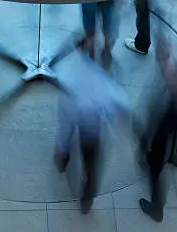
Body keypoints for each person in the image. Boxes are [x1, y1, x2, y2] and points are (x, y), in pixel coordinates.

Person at [54, 51, 130, 214]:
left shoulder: (77, 81)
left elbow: (66, 121)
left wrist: (62, 147)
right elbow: (122, 105)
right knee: (92, 166)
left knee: (77, 149)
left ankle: (64, 162)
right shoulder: (108, 88)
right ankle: (87, 198)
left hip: (83, 126)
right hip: (95, 132)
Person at [138, 37, 177, 222]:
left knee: (156, 167)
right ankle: (148, 159)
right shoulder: (171, 69)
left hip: (164, 128)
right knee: (153, 156)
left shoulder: (171, 78)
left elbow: (166, 114)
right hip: (166, 124)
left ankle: (156, 208)